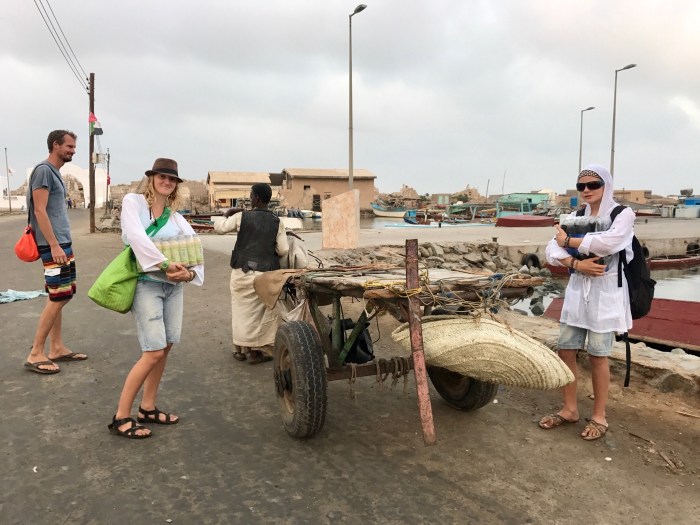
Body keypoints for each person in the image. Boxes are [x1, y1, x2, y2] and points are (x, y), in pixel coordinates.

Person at [108, 158, 204, 439]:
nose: (166, 181)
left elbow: (195, 247)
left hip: (173, 287)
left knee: (166, 345)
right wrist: (165, 265)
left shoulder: (176, 217)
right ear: (151, 178)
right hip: (147, 285)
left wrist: (189, 274)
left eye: (171, 179)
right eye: (162, 176)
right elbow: (136, 237)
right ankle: (120, 416)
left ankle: (147, 407)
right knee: (152, 351)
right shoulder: (134, 203)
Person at [539, 164, 635, 441]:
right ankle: (569, 409)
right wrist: (576, 264)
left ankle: (599, 416)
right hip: (577, 291)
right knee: (566, 350)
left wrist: (569, 240)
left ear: (606, 185)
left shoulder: (622, 214)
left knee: (598, 355)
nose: (586, 190)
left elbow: (610, 242)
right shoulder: (575, 216)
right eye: (581, 186)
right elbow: (551, 249)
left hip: (606, 293)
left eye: (593, 184)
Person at [24, 130, 87, 375]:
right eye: (69, 146)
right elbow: (39, 210)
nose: (73, 150)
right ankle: (35, 353)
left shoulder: (54, 172)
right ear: (55, 145)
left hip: (61, 243)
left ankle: (56, 347)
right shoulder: (43, 171)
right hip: (54, 245)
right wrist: (53, 244)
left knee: (60, 294)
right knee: (58, 296)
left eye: (74, 147)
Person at [213, 183, 289, 364]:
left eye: (251, 195)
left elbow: (220, 228)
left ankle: (240, 350)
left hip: (242, 272)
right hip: (264, 275)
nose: (250, 198)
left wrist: (227, 213)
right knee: (262, 314)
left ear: (256, 198)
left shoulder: (241, 216)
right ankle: (256, 352)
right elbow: (283, 250)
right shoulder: (277, 221)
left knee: (241, 312)